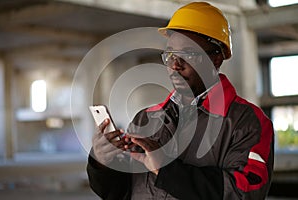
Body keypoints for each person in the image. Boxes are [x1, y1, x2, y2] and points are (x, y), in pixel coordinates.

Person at [87, 2, 274, 200]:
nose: (175, 65)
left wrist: (166, 169)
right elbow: (117, 193)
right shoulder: (145, 119)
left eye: (189, 54)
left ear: (216, 58)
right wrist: (101, 163)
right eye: (170, 55)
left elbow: (243, 194)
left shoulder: (247, 122)